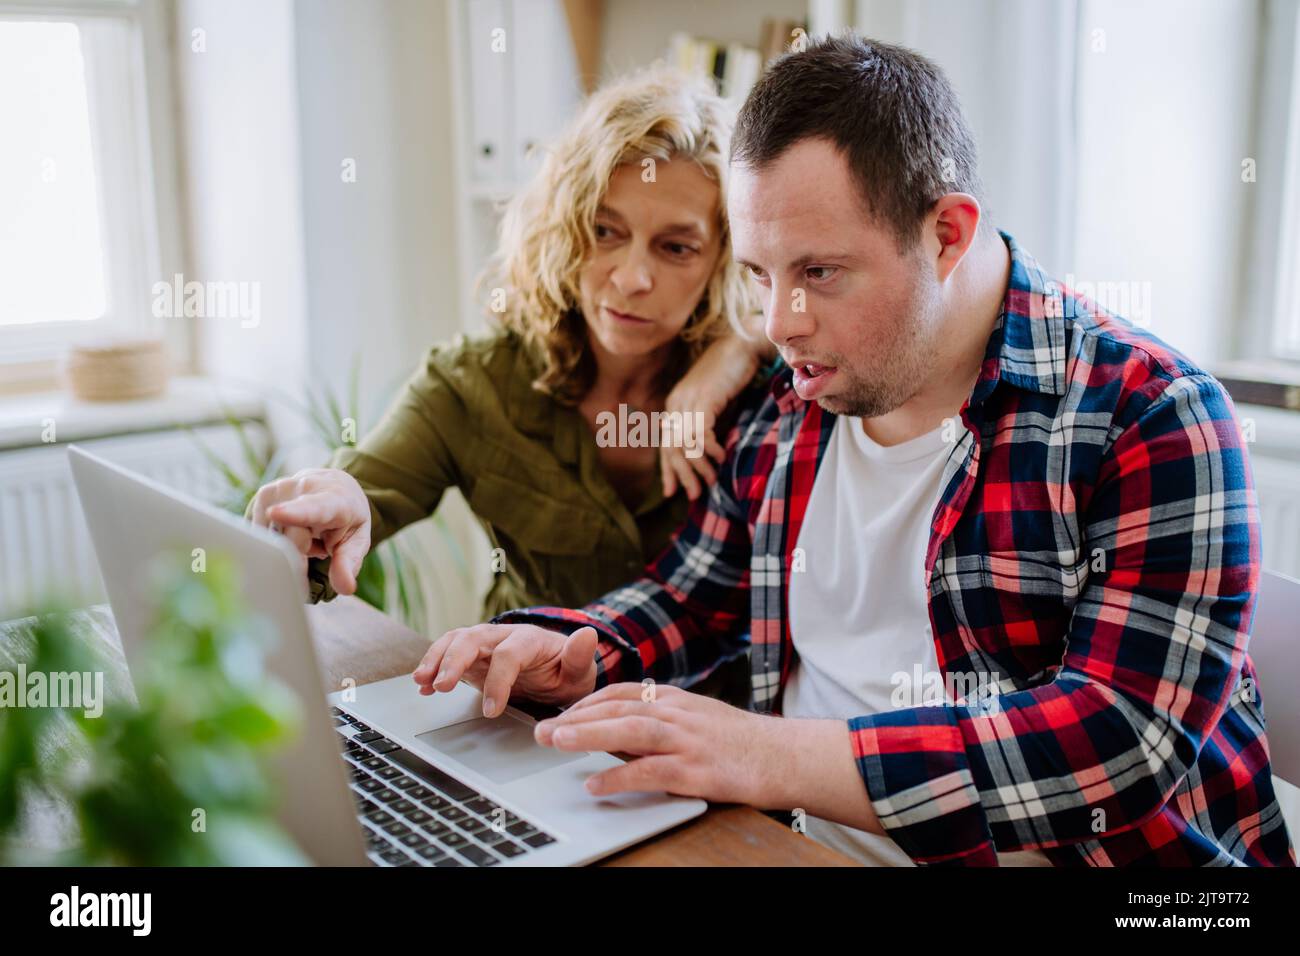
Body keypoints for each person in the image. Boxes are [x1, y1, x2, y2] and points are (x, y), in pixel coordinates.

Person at [413, 34, 1296, 867]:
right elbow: (695, 598)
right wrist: (577, 651)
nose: (778, 325)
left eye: (819, 273)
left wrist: (771, 757)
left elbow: (1120, 742)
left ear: (946, 233)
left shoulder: (1152, 415)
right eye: (760, 275)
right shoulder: (801, 393)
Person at [246, 67, 768, 671]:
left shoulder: (760, 395)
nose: (631, 278)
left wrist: (740, 348)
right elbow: (358, 496)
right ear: (565, 229)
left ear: (724, 258)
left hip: (702, 730)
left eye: (676, 247)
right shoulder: (474, 386)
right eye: (605, 231)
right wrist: (320, 512)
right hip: (518, 716)